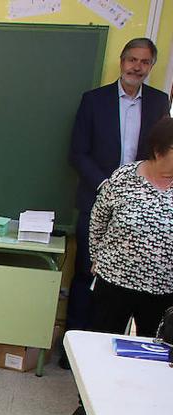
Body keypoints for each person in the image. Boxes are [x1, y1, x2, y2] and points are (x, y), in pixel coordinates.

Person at [66, 37, 170, 367]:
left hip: (144, 202)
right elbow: (78, 153)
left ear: (151, 67)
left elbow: (160, 150)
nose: (137, 67)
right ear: (121, 62)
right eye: (131, 60)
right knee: (87, 277)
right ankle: (74, 355)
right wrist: (108, 185)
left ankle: (131, 364)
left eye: (144, 62)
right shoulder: (94, 101)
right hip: (99, 198)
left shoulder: (158, 102)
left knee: (133, 304)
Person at [69, 116, 173, 415]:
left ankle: (145, 405)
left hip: (162, 287)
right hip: (115, 279)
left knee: (158, 352)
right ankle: (88, 403)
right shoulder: (125, 177)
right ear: (158, 150)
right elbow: (98, 219)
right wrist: (98, 257)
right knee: (102, 343)